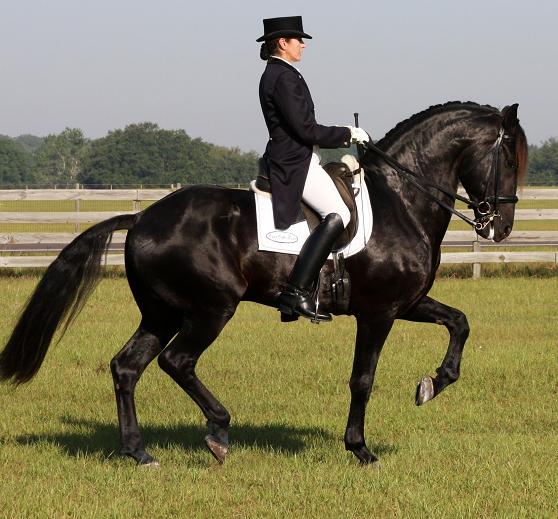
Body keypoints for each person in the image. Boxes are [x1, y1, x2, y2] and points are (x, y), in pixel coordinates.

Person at [257, 16, 371, 322]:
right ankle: (295, 291)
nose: (303, 45)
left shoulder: (282, 73)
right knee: (340, 214)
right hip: (293, 162)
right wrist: (347, 134)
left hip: (298, 157)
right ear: (283, 43)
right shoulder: (282, 77)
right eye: (299, 40)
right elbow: (306, 130)